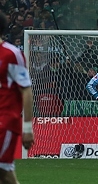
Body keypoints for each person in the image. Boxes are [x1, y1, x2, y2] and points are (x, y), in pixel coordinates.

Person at [0, 11, 34, 184]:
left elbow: (26, 90)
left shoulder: (11, 54)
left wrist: (27, 128)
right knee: (5, 173)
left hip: (4, 122)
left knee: (3, 171)